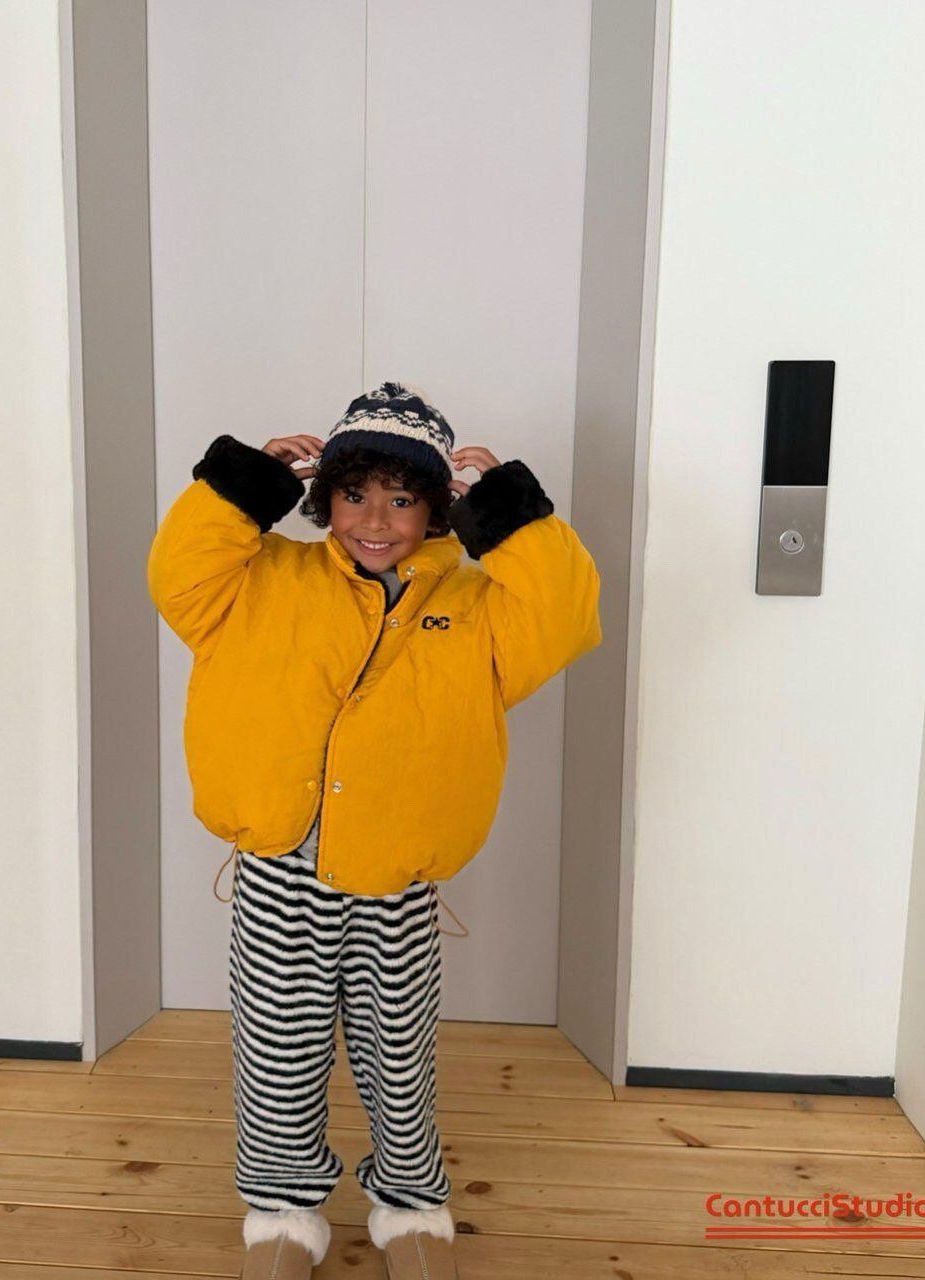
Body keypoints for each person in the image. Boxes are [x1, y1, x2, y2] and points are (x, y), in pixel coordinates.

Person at [146, 381, 602, 1279]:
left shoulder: (478, 605)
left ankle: (412, 1206)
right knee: (278, 1051)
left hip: (397, 874)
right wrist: (241, 486)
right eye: (355, 494)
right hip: (280, 866)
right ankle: (282, 1213)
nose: (376, 520)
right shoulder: (261, 580)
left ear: (437, 508)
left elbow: (566, 618)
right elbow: (176, 572)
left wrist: (511, 515)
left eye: (402, 499)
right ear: (326, 499)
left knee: (399, 1054)